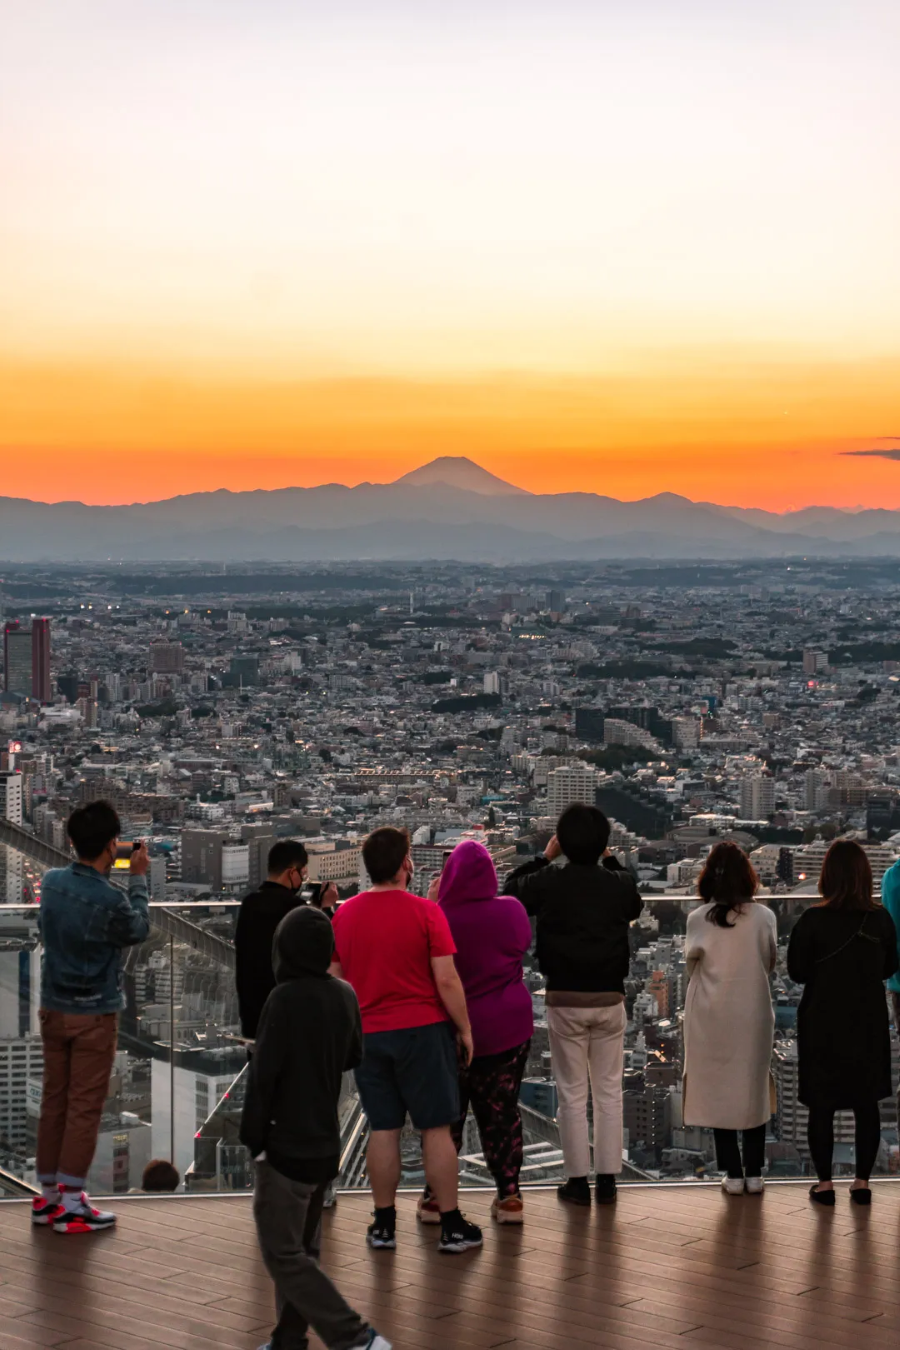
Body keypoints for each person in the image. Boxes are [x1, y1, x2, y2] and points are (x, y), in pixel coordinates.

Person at [240, 906, 390, 1350]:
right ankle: (288, 1339)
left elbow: (263, 1077)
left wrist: (253, 1138)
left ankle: (355, 1337)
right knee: (304, 1251)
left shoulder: (282, 999)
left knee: (283, 1254)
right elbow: (353, 1056)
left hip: (284, 1144)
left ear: (282, 951)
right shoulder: (344, 994)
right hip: (325, 1142)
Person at [330, 827, 483, 1255]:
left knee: (384, 1128)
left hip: (369, 1033)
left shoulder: (344, 915)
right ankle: (450, 1225)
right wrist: (465, 1029)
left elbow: (335, 977)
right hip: (423, 1031)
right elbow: (446, 979)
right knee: (435, 1128)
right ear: (405, 865)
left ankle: (383, 1225)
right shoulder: (426, 912)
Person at [503, 804, 642, 1206]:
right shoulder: (616, 883)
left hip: (564, 997)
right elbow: (633, 901)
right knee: (609, 1091)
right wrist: (610, 858)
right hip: (609, 997)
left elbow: (512, 891)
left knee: (571, 1094)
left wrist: (545, 856)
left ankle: (578, 1181)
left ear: (562, 842)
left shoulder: (550, 880)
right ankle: (608, 1180)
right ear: (602, 844)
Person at [34, 800, 150, 1233]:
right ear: (111, 846)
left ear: (71, 841)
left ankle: (48, 1198)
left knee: (54, 1102)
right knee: (84, 1107)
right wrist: (138, 877)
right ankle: (70, 1205)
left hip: (53, 1007)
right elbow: (138, 929)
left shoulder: (51, 882)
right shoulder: (111, 900)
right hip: (94, 1015)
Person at [417, 840, 533, 1225]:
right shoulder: (512, 910)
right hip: (507, 1029)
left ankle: (436, 1199)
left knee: (446, 1117)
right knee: (502, 1112)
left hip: (450, 1031)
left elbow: (423, 962)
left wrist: (433, 903)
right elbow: (521, 946)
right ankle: (510, 1196)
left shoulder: (438, 917)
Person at [787, 840, 898, 1206]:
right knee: (867, 1104)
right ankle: (862, 1182)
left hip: (822, 1019)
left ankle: (824, 1185)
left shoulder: (812, 920)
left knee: (821, 1105)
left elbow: (797, 972)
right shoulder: (880, 919)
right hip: (868, 1019)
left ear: (827, 876)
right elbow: (890, 966)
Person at [683, 843, 777, 1195]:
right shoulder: (764, 917)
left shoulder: (698, 918)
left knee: (718, 1086)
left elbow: (692, 964)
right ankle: (755, 1172)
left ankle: (733, 1173)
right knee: (752, 1085)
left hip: (711, 1010)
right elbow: (769, 961)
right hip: (753, 1008)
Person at [235, 840, 338, 1045]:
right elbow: (322, 949)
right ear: (292, 872)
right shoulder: (295, 909)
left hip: (253, 1015)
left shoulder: (249, 904)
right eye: (303, 873)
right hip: (290, 1015)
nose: (303, 879)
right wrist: (325, 909)